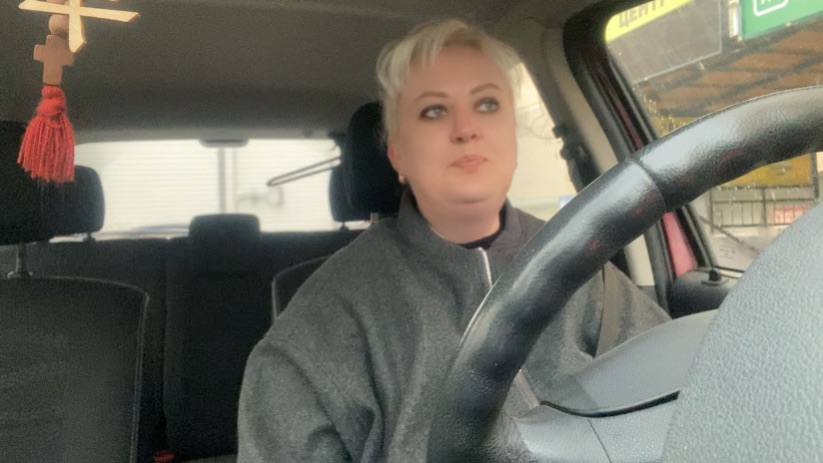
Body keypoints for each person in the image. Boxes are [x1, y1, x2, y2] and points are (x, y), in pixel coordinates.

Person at [237, 19, 669, 462]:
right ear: (397, 154)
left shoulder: (584, 265)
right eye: (434, 111)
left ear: (511, 135)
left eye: (487, 104)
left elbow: (680, 403)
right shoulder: (322, 326)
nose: (466, 128)